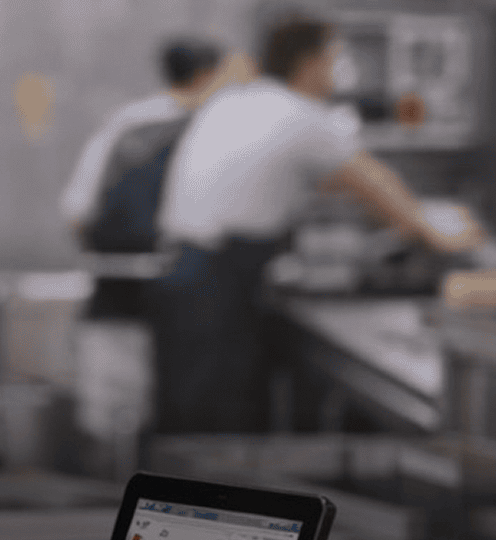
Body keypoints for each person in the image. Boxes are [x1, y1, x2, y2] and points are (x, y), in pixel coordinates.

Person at [149, 13, 482, 433]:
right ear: (310, 63)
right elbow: (378, 188)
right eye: (337, 57)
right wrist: (446, 234)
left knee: (187, 423)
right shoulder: (303, 116)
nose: (344, 71)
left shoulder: (238, 100)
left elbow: (331, 183)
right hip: (216, 284)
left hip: (183, 273)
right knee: (214, 428)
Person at [60, 37, 232, 320]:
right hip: (187, 285)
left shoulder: (128, 120)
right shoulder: (213, 126)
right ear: (207, 73)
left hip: (116, 277)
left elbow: (77, 207)